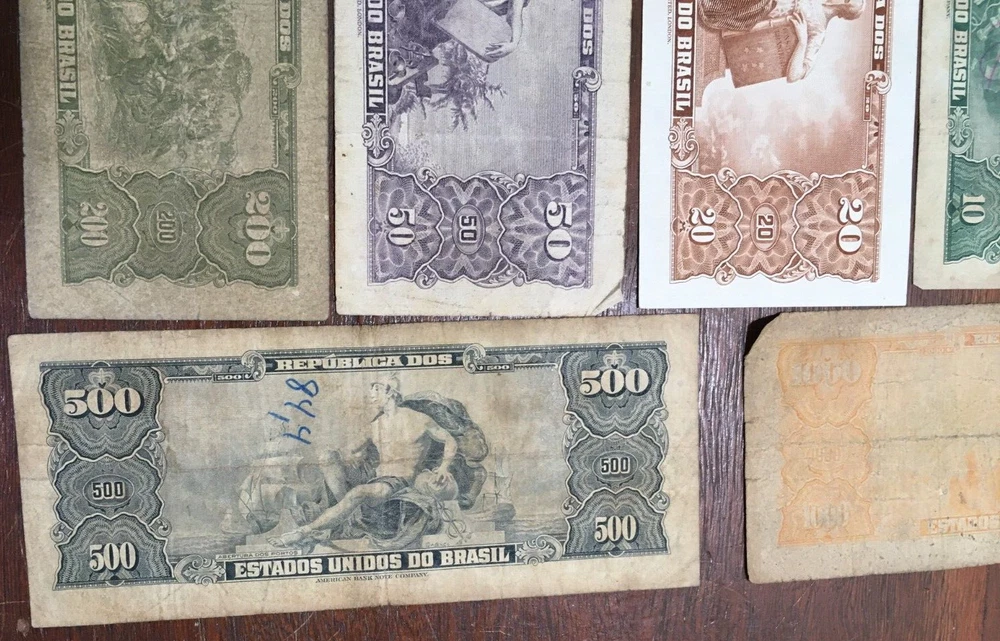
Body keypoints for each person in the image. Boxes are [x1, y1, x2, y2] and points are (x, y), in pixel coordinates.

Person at [268, 376, 476, 548]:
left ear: (390, 392)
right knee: (327, 457)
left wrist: (444, 467)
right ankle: (349, 514)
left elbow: (450, 439)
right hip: (376, 478)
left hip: (399, 482)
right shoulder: (375, 425)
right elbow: (350, 451)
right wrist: (328, 451)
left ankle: (304, 531)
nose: (372, 394)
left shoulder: (417, 419)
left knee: (359, 492)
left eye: (376, 389)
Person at [699, 0, 866, 82]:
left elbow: (794, 76)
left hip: (754, 15)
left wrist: (802, 41)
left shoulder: (819, 31)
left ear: (844, 12)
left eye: (847, 1)